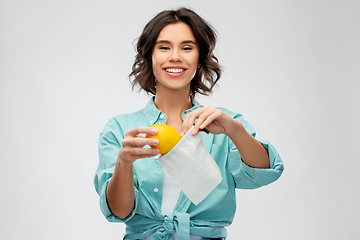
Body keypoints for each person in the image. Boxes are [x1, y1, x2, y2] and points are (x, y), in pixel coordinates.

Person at [94, 7, 284, 240]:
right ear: (149, 56)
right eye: (164, 47)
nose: (175, 56)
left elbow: (264, 173)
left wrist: (233, 129)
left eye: (187, 48)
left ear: (200, 57)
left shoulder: (223, 122)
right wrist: (124, 162)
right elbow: (120, 211)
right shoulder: (119, 130)